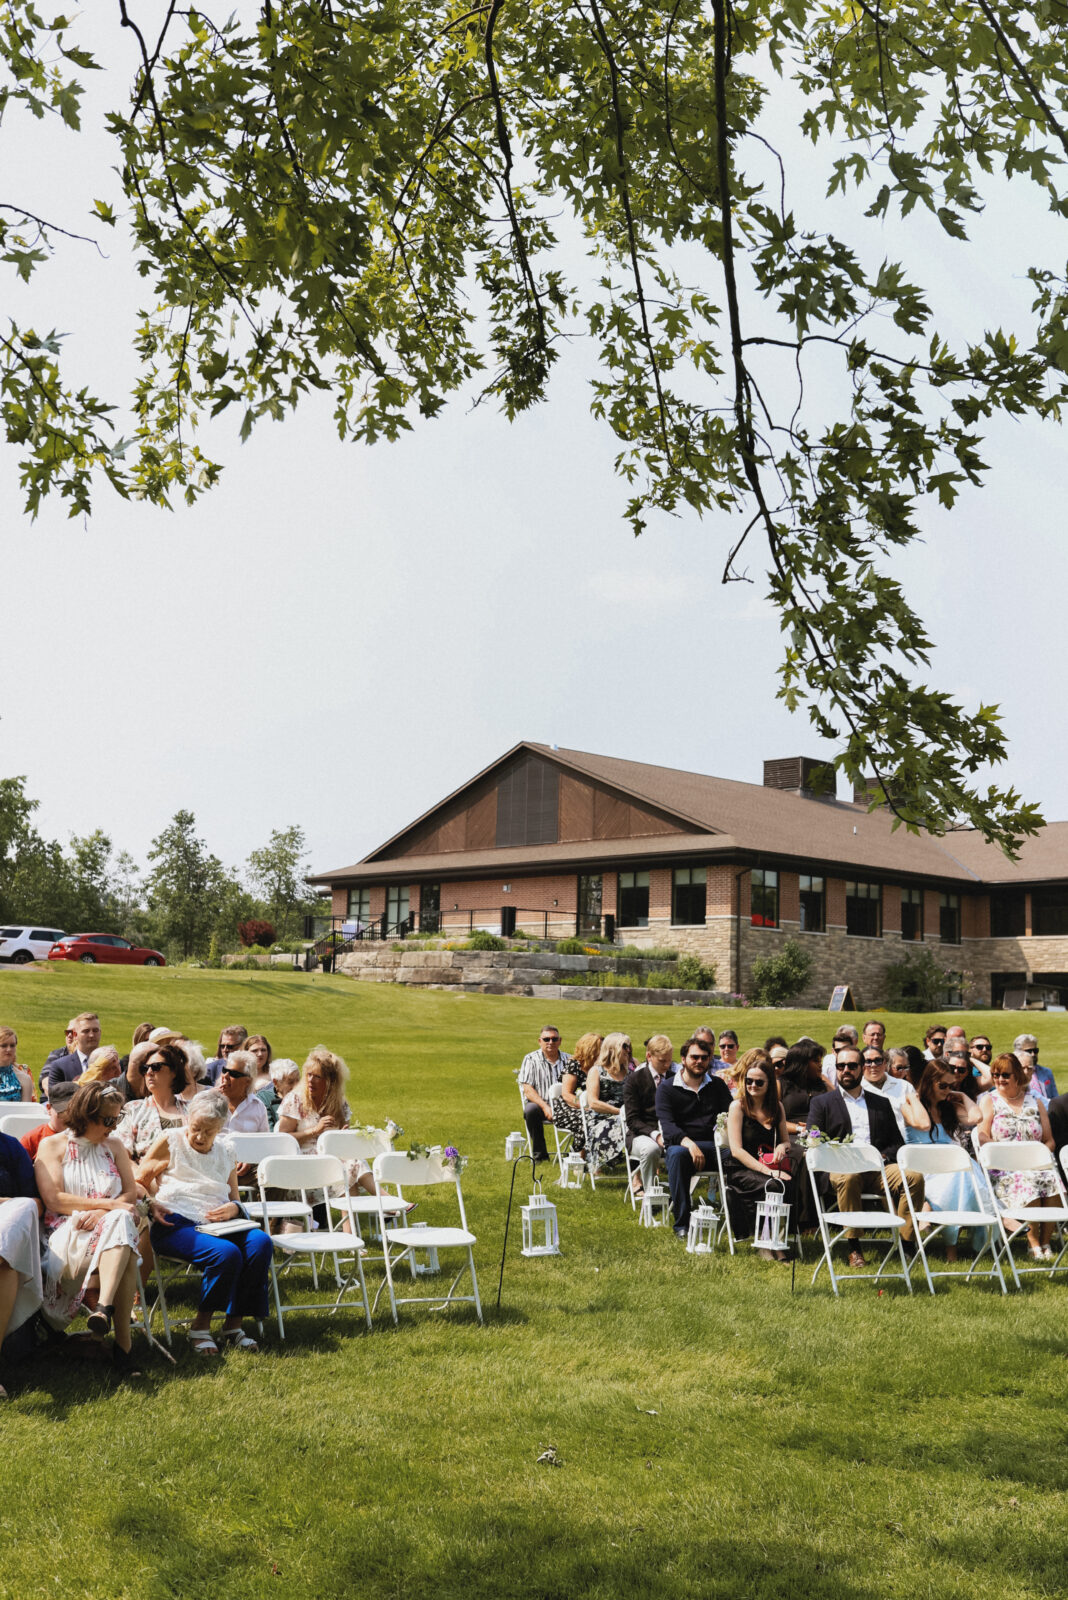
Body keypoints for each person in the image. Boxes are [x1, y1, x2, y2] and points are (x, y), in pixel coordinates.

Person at [141, 1089, 273, 1355]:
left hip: (219, 1224)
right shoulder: (171, 1140)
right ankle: (200, 1327)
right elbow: (138, 1181)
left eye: (208, 1132)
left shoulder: (226, 1149)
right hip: (175, 1222)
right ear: (188, 1118)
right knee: (226, 1254)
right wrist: (151, 1203)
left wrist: (233, 1209)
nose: (200, 1137)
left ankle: (233, 1325)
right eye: (196, 1128)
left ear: (221, 1128)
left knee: (261, 1243)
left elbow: (235, 1197)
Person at [35, 1083, 144, 1376]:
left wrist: (101, 1212)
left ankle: (103, 1309)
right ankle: (123, 1348)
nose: (113, 1126)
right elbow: (55, 1200)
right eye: (108, 1119)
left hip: (111, 1235)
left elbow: (130, 1195)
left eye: (117, 1118)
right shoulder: (53, 1146)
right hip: (68, 1237)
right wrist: (106, 1208)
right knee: (124, 1235)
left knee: (121, 1228)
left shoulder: (115, 1146)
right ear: (86, 1114)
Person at [806, 1047, 924, 1268]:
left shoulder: (880, 1102)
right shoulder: (822, 1103)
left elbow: (897, 1143)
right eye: (841, 1066)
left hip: (877, 1169)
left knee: (913, 1177)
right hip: (841, 1168)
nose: (846, 1070)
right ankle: (854, 1246)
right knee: (849, 1179)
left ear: (861, 1068)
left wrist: (883, 1155)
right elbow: (815, 1141)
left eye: (852, 1066)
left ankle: (907, 1244)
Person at [977, 1052, 1060, 1258]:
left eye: (1005, 1074)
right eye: (995, 1074)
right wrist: (1007, 1154)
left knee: (1053, 1182)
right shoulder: (990, 1100)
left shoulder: (1035, 1102)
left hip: (1035, 1164)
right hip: (1004, 1167)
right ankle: (1032, 1244)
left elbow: (1049, 1140)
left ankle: (1045, 1243)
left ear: (1017, 1076)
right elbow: (982, 1136)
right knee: (1029, 1181)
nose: (999, 1079)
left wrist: (1037, 1156)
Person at [902, 1061, 987, 1262]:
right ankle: (998, 1218)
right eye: (943, 1086)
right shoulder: (908, 1106)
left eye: (951, 1086)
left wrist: (963, 1096)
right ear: (929, 1082)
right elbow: (923, 1124)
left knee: (961, 1174)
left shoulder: (948, 1108)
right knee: (960, 1175)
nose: (948, 1090)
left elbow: (977, 1117)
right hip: (923, 1167)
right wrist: (915, 1098)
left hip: (951, 1169)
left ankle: (951, 1246)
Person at [723, 1051, 797, 1260]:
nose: (752, 1086)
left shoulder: (777, 1108)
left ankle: (778, 1239)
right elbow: (736, 1150)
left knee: (789, 1183)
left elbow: (784, 1139)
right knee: (773, 1185)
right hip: (741, 1168)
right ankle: (766, 1243)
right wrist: (768, 1172)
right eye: (749, 1081)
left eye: (759, 1082)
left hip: (769, 1165)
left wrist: (783, 1147)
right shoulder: (737, 1107)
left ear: (769, 1084)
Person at [656, 1037, 732, 1239]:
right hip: (683, 1146)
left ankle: (740, 1217)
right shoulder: (667, 1088)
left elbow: (731, 1116)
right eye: (694, 1057)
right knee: (677, 1155)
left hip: (715, 1146)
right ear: (683, 1059)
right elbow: (668, 1127)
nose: (699, 1061)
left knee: (737, 1155)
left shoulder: (717, 1086)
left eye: (704, 1058)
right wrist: (689, 1144)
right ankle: (683, 1223)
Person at [277, 1047, 376, 1201]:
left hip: (335, 1164)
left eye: (317, 1077)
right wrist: (315, 1130)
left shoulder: (339, 1102)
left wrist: (343, 1136)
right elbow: (282, 1140)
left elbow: (344, 1139)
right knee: (349, 1171)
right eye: (308, 1075)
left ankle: (357, 1221)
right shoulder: (295, 1100)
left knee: (349, 1170)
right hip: (304, 1168)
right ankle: (388, 1203)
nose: (310, 1080)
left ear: (330, 1082)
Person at [0, 1129, 43, 1396]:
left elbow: (36, 1204)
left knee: (8, 1257)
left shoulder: (10, 1147)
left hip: (6, 1235)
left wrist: (8, 1204)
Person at [115, 1042, 189, 1169]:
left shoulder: (192, 1110)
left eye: (156, 1067)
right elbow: (122, 1155)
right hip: (146, 1180)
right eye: (144, 1068)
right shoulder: (132, 1110)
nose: (149, 1072)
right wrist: (141, 1180)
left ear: (174, 1072)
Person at [622, 1034, 672, 1197]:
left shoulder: (674, 1079)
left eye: (669, 1060)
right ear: (649, 1056)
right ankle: (651, 1197)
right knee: (651, 1149)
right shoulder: (634, 1080)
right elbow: (632, 1119)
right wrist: (656, 1135)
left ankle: (680, 1196)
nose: (667, 1065)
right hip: (640, 1134)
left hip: (671, 1132)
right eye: (662, 1061)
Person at [517, 1026, 571, 1164]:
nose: (551, 1042)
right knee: (530, 1110)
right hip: (540, 1105)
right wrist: (546, 1107)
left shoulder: (569, 1060)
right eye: (546, 1039)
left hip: (565, 1105)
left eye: (554, 1039)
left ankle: (575, 1155)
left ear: (560, 1041)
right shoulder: (530, 1059)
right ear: (540, 1041)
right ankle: (540, 1155)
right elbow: (527, 1089)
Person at [583, 1034, 631, 1172]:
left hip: (626, 1116)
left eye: (629, 1046)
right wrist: (619, 1113)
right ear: (612, 1049)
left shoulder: (628, 1072)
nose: (628, 1050)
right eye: (624, 1046)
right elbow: (593, 1103)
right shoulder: (596, 1071)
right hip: (600, 1117)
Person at [553, 1032, 602, 1157]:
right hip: (569, 1106)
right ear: (591, 1050)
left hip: (593, 1104)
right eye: (600, 1049)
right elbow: (567, 1094)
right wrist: (584, 1106)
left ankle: (600, 1157)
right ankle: (578, 1156)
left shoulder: (601, 1067)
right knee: (588, 1119)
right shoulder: (574, 1064)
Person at [44, 1012, 102, 1092]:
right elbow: (56, 1099)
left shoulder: (113, 1064)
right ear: (75, 1035)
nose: (91, 1035)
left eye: (95, 1030)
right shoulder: (60, 1066)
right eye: (86, 1031)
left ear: (100, 1032)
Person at [20, 1080, 78, 1159]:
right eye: (62, 1111)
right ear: (49, 1108)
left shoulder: (89, 1137)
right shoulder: (32, 1139)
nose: (69, 1117)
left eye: (75, 1111)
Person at [862, 1045, 911, 1136]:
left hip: (903, 1143)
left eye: (878, 1061)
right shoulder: (856, 1090)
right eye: (868, 1062)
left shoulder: (905, 1086)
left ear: (885, 1063)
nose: (873, 1065)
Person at [216, 1050, 269, 1133]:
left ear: (248, 1081)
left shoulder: (258, 1107)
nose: (226, 1076)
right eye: (224, 1070)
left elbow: (264, 1141)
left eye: (233, 1073)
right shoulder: (208, 1100)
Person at [256, 1059, 300, 1131]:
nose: (296, 1086)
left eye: (298, 1080)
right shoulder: (264, 1098)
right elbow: (270, 1133)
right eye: (290, 1082)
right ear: (276, 1082)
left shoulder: (304, 1095)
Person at [1012, 1034, 1057, 1101]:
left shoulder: (1047, 1072)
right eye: (1029, 1051)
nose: (1033, 1054)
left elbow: (1055, 1097)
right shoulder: (1012, 1074)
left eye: (1035, 1051)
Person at [0, 1028, 34, 1103]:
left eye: (12, 1045)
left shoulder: (25, 1079)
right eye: (3, 1046)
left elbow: (25, 1111)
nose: (8, 1049)